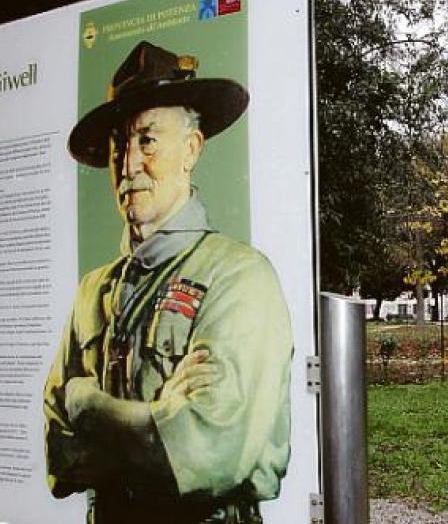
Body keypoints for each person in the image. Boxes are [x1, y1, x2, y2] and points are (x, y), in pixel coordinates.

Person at [43, 41, 293, 524]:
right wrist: (160, 418)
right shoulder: (93, 291)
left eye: (148, 140)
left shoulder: (239, 277)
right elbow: (61, 456)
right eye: (120, 144)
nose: (129, 163)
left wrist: (91, 406)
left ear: (191, 150)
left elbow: (213, 451)